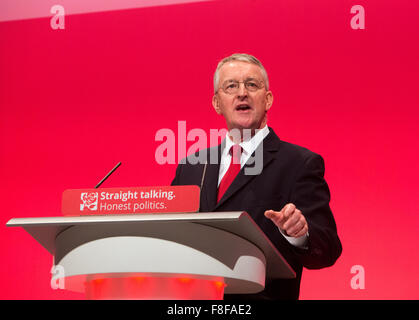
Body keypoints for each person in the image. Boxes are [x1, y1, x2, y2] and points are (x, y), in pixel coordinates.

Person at [171, 53, 342, 300]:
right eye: (231, 86)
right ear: (217, 103)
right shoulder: (192, 166)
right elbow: (172, 234)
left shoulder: (299, 163)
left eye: (252, 85)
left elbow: (327, 249)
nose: (242, 93)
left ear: (268, 99)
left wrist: (299, 234)